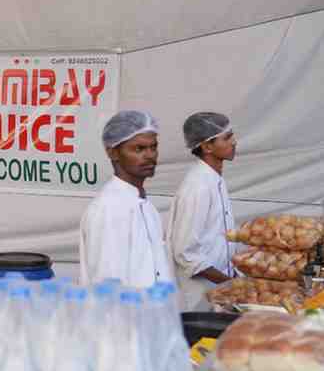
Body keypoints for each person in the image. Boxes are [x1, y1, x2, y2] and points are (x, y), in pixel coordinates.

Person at [79, 110, 174, 289]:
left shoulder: (145, 205)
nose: (150, 155)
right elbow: (107, 288)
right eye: (139, 149)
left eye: (153, 147)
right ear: (113, 153)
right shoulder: (109, 208)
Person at [166, 112, 237, 311]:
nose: (234, 142)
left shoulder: (214, 179)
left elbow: (217, 240)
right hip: (200, 298)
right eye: (227, 137)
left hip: (219, 292)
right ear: (207, 147)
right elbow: (185, 253)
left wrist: (233, 277)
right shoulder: (197, 187)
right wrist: (230, 283)